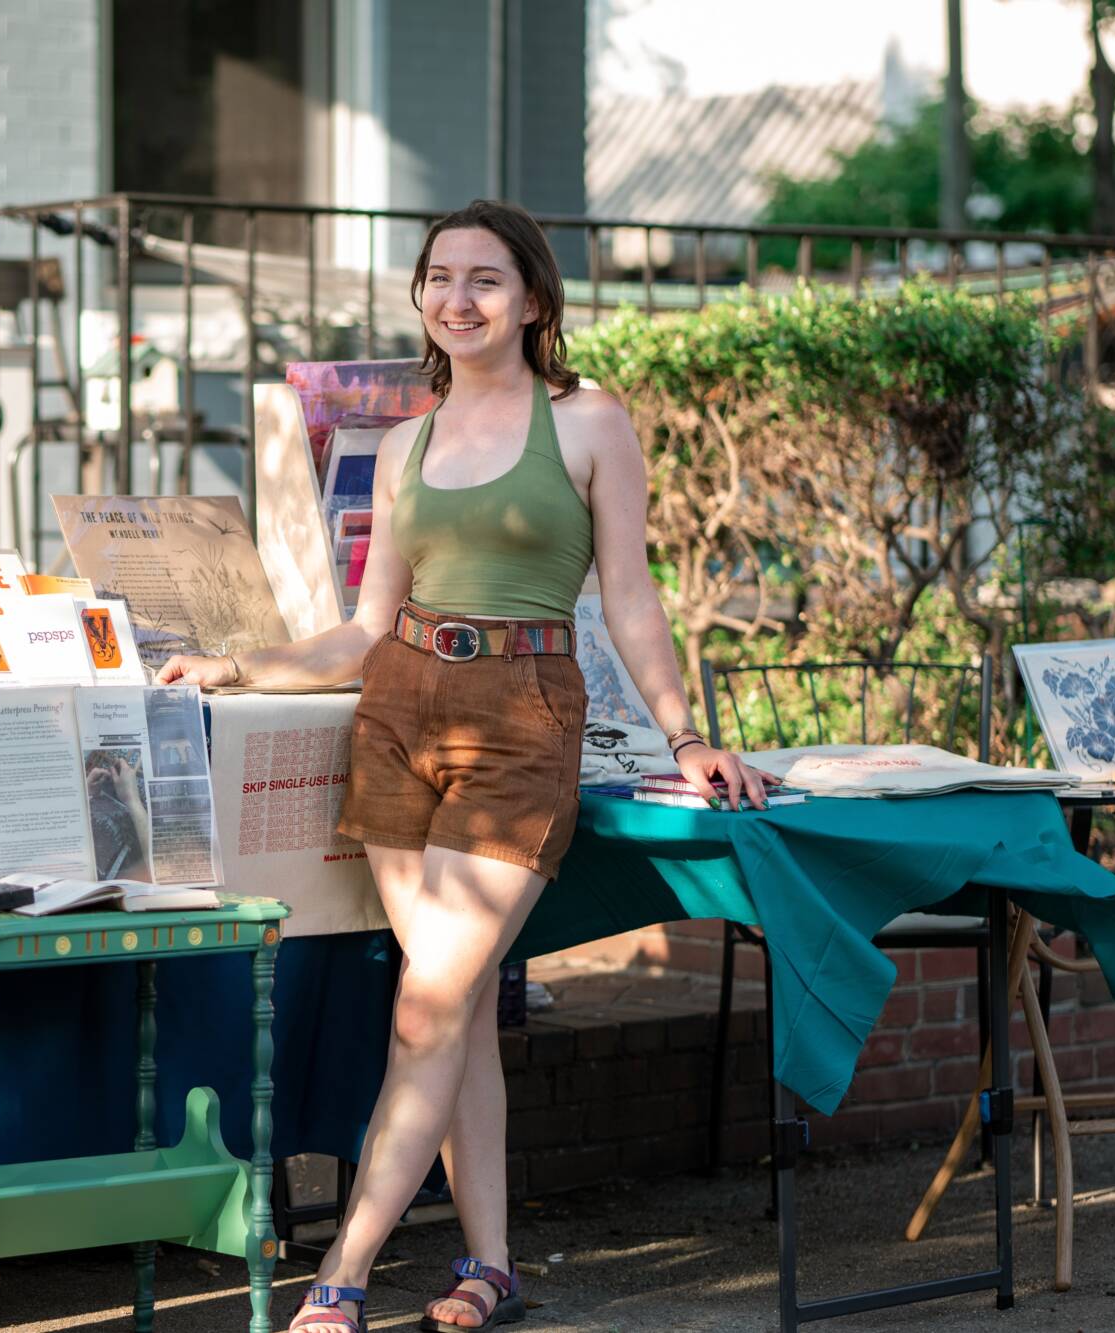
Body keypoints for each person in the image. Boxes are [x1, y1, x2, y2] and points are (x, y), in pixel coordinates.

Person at [157, 199, 767, 1332]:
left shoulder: (588, 422)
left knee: (424, 1005)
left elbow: (629, 597)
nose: (455, 298)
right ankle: (489, 1265)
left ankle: (339, 1272)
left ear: (532, 299)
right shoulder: (402, 442)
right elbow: (361, 626)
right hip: (395, 715)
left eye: (483, 278)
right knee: (461, 1007)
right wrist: (236, 669)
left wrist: (684, 732)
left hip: (521, 716)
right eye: (437, 277)